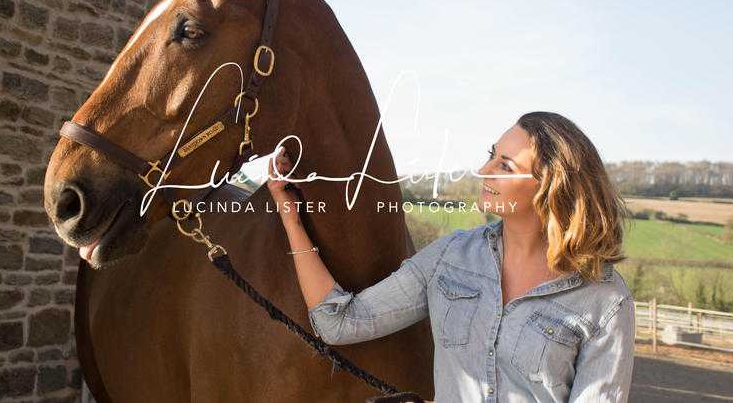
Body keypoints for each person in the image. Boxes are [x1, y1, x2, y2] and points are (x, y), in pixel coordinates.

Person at [267, 112, 635, 403]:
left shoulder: (605, 300)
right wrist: (291, 217)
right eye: (491, 155)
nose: (484, 171)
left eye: (505, 166)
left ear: (553, 186)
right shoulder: (451, 257)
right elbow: (339, 322)